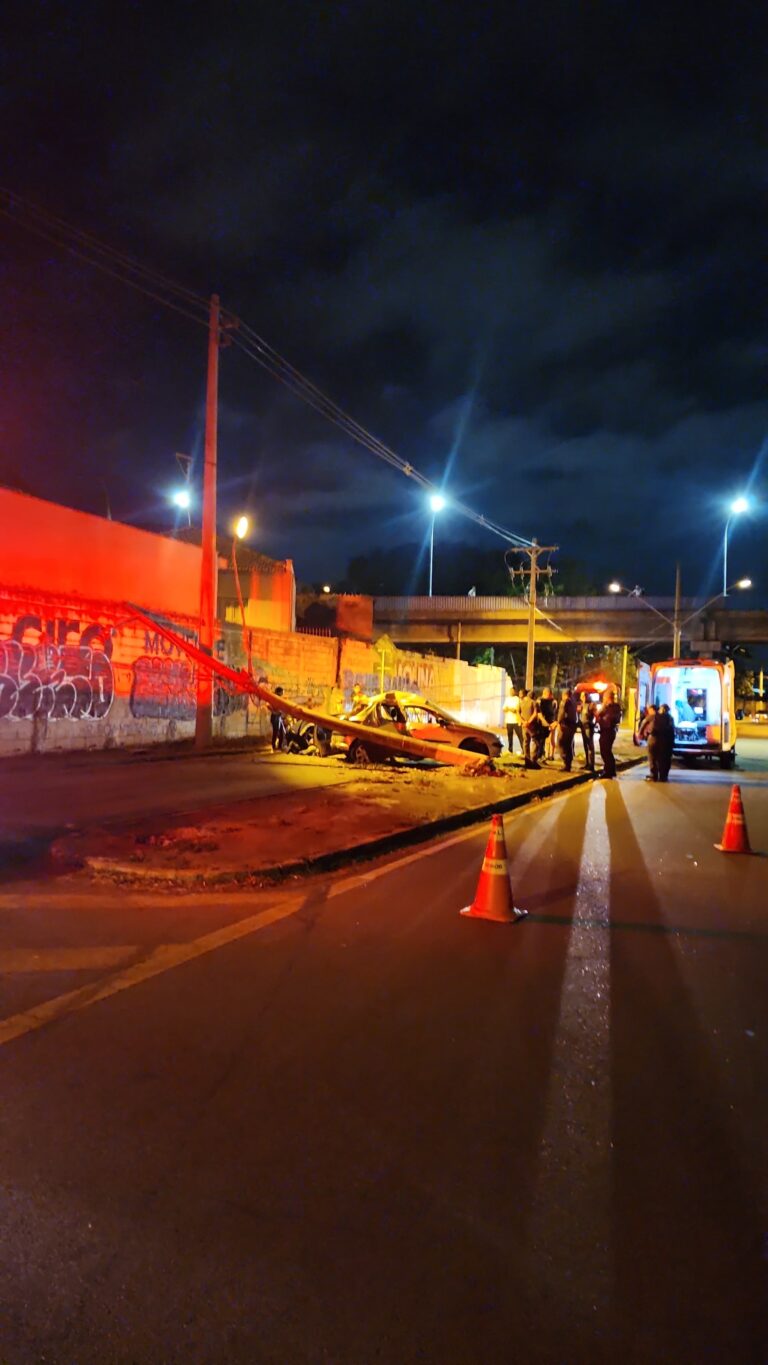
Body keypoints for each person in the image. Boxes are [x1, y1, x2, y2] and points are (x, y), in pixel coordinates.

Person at [597, 689, 622, 778]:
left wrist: (604, 707)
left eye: (604, 697)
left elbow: (600, 714)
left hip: (607, 731)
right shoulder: (616, 707)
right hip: (608, 731)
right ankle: (611, 770)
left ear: (607, 697)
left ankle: (608, 771)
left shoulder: (609, 706)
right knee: (607, 751)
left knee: (605, 751)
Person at [556, 687, 578, 771]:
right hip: (572, 726)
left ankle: (565, 761)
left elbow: (561, 713)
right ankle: (568, 764)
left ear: (564, 695)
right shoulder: (574, 702)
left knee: (560, 743)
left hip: (565, 726)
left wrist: (558, 722)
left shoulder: (565, 702)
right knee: (568, 745)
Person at [653, 703, 676, 782]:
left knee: (659, 759)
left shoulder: (657, 717)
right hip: (668, 742)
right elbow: (672, 730)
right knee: (666, 759)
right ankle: (664, 776)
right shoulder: (670, 718)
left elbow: (654, 729)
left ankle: (659, 774)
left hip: (659, 741)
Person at [503, 685, 524, 755]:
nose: (511, 692)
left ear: (515, 692)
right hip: (508, 721)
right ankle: (510, 749)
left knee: (520, 735)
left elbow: (516, 710)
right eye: (510, 691)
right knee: (509, 736)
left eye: (512, 691)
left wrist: (510, 709)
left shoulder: (517, 699)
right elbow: (504, 709)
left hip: (515, 721)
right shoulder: (507, 699)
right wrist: (508, 709)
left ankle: (524, 749)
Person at [578, 695, 597, 770]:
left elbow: (597, 715)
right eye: (582, 696)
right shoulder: (582, 705)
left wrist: (593, 724)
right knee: (585, 746)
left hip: (588, 727)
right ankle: (587, 763)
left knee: (590, 746)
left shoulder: (591, 705)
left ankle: (591, 765)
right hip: (583, 727)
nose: (584, 697)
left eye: (585, 695)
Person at [519, 688, 537, 767]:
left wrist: (523, 722)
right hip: (532, 726)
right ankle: (533, 760)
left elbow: (518, 713)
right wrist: (529, 722)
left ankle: (527, 760)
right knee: (534, 742)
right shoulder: (533, 702)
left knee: (525, 742)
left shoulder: (521, 702)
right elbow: (535, 713)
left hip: (524, 726)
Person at [539, 687, 557, 761]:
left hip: (551, 722)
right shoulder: (541, 701)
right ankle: (547, 754)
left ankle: (551, 755)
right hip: (544, 723)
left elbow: (555, 712)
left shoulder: (553, 702)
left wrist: (554, 722)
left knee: (551, 739)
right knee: (546, 740)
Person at [269, 686, 287, 751]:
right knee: (276, 732)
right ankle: (274, 746)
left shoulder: (278, 699)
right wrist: (276, 712)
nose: (283, 693)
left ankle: (279, 746)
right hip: (275, 717)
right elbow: (269, 706)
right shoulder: (274, 698)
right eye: (282, 692)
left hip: (278, 717)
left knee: (281, 732)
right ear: (279, 692)